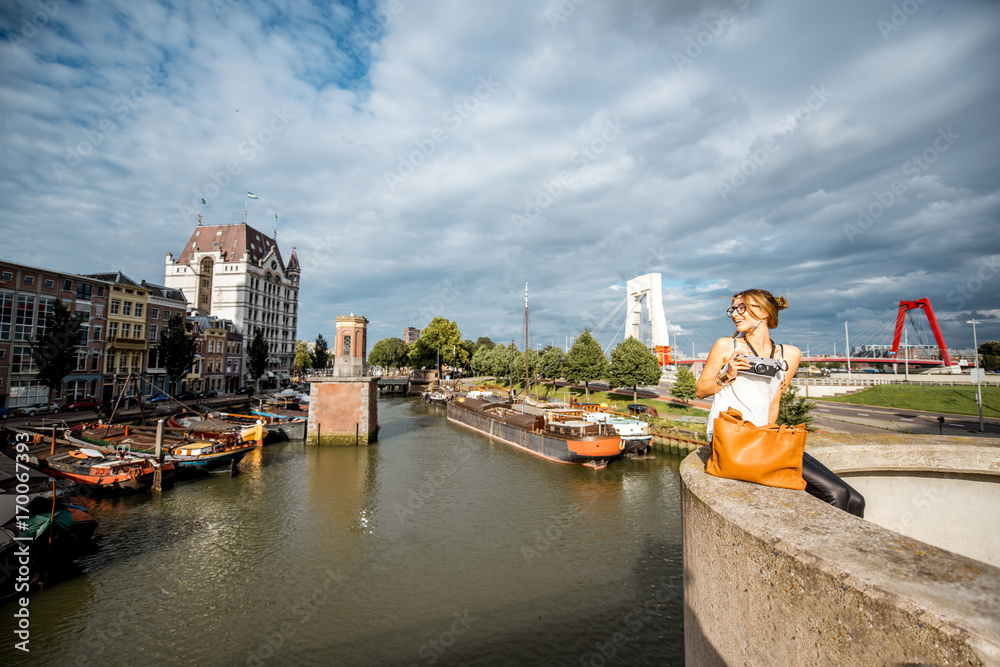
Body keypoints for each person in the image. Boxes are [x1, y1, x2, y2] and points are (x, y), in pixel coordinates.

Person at [695, 289, 865, 517]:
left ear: (764, 312)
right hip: (731, 436)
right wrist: (728, 375)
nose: (735, 314)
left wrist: (770, 439)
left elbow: (773, 403)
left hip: (760, 436)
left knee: (856, 500)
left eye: (742, 307)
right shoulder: (727, 346)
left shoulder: (790, 355)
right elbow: (700, 390)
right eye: (733, 309)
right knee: (836, 494)